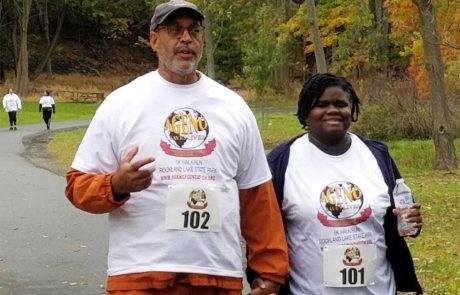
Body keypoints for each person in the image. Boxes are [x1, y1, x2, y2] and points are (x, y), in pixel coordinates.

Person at [65, 1, 289, 295]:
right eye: (175, 30)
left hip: (216, 274)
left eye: (194, 30)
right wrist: (116, 185)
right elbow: (77, 186)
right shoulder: (122, 103)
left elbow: (257, 195)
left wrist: (270, 270)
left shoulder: (233, 107)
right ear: (154, 40)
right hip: (139, 275)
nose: (186, 38)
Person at [251, 73, 423, 294]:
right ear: (305, 112)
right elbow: (262, 228)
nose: (332, 110)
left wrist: (412, 222)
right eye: (321, 104)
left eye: (340, 104)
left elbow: (402, 214)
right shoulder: (282, 161)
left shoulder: (377, 155)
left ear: (351, 110)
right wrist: (262, 277)